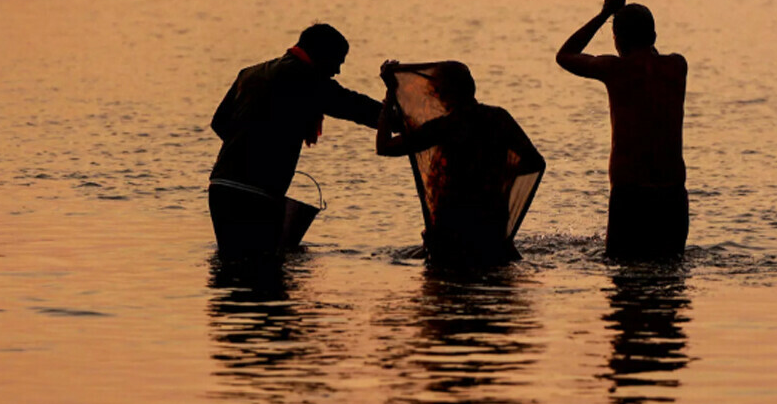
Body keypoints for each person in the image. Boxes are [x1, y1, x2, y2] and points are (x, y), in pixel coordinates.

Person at [209, 23, 381, 258]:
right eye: (337, 62)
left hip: (220, 188)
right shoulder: (305, 78)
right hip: (256, 196)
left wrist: (252, 142)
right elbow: (355, 107)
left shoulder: (249, 74)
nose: (337, 71)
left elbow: (220, 122)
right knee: (264, 275)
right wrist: (406, 120)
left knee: (234, 269)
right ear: (321, 54)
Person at [556, 0, 688, 260]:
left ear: (616, 40)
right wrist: (625, 15)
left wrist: (606, 13)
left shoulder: (614, 70)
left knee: (623, 279)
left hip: (630, 194)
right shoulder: (678, 67)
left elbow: (564, 55)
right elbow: (648, 54)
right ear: (654, 35)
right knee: (670, 282)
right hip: (673, 194)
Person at [376, 61, 545, 266]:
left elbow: (385, 147)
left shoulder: (445, 126)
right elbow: (534, 162)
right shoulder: (498, 118)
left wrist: (390, 98)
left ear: (443, 93)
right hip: (492, 220)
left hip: (452, 224)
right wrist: (500, 177)